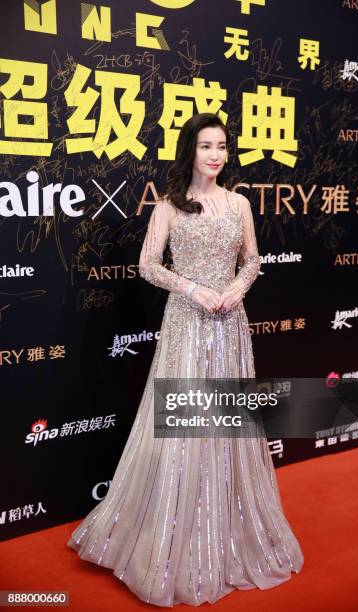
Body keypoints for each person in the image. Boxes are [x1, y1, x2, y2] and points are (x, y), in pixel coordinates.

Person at [67, 112, 304, 606]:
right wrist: (194, 288)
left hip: (230, 325)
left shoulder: (239, 203)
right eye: (205, 146)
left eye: (221, 146)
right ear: (189, 151)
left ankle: (228, 533)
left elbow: (253, 261)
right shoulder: (169, 206)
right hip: (188, 326)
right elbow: (148, 265)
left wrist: (235, 291)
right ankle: (172, 537)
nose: (215, 155)